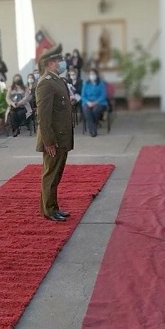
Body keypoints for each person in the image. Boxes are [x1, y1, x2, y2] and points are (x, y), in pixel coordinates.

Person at [35, 44, 73, 222]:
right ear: (50, 63)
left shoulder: (57, 80)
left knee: (56, 174)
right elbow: (43, 116)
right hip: (54, 139)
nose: (62, 63)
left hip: (61, 136)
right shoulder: (45, 83)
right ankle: (49, 210)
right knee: (50, 174)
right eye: (59, 61)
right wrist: (49, 141)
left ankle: (53, 207)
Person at [81, 69, 108, 137]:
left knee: (95, 110)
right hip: (87, 102)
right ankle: (93, 130)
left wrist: (95, 102)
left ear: (96, 75)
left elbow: (103, 95)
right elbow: (83, 95)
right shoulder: (86, 84)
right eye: (90, 74)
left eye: (93, 74)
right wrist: (88, 102)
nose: (92, 76)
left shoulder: (101, 84)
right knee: (86, 110)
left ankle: (93, 128)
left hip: (99, 102)